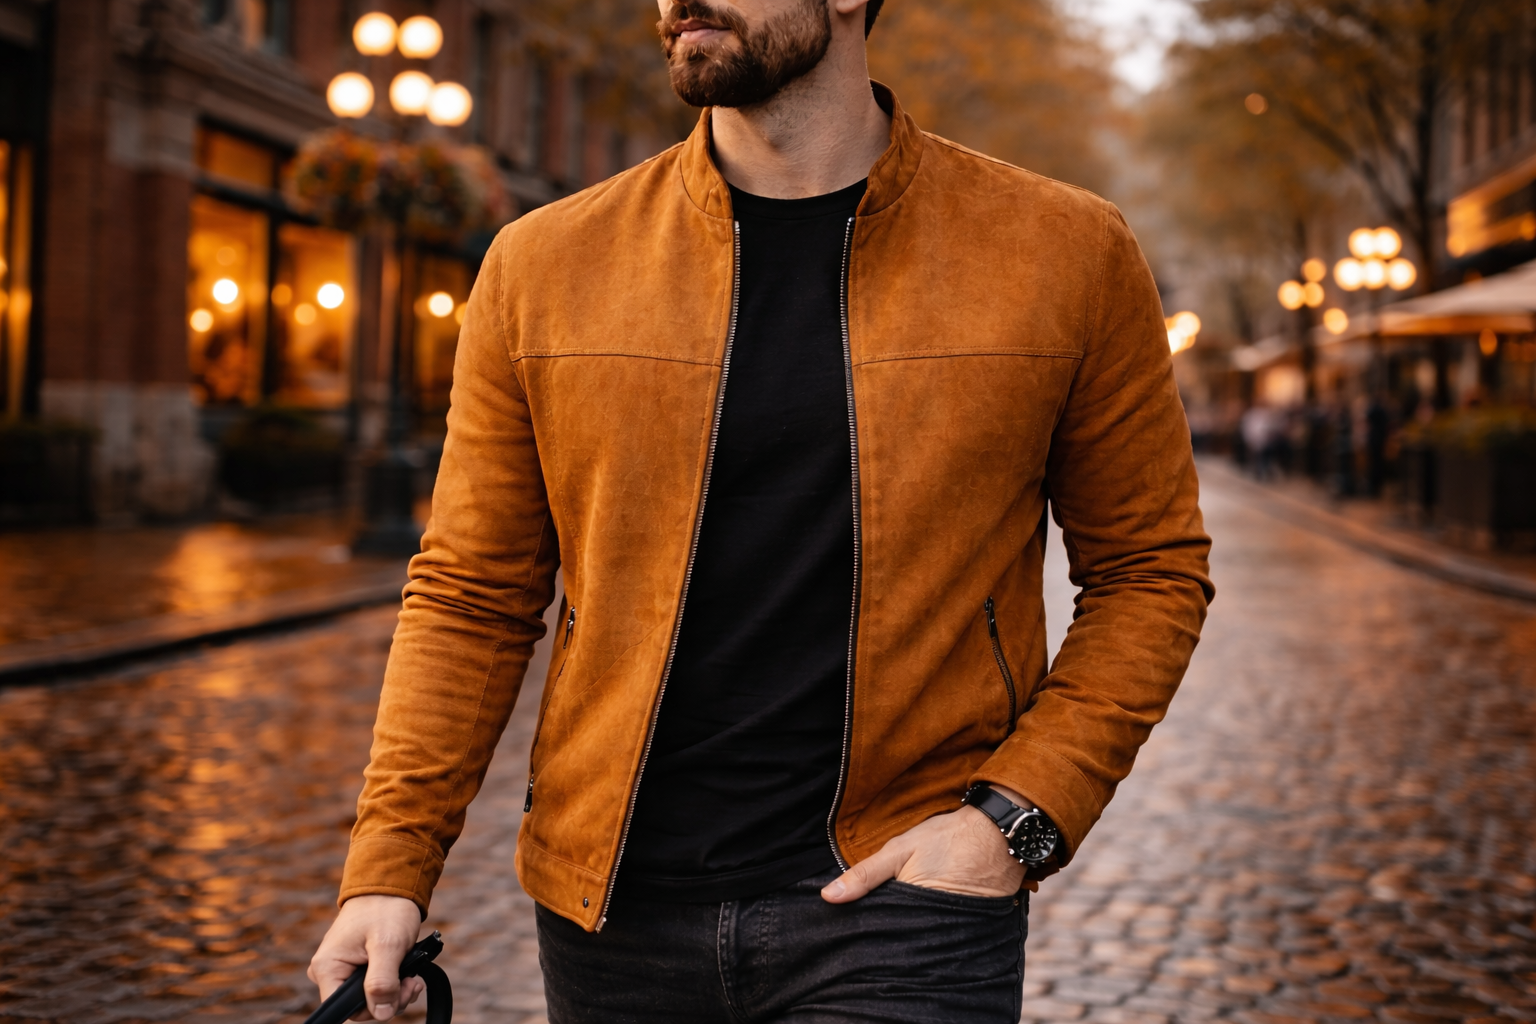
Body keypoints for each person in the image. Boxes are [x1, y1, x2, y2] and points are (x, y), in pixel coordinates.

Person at [308, 0, 1214, 1020]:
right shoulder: (542, 264)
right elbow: (472, 590)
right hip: (611, 917)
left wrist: (1014, 819)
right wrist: (389, 863)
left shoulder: (1065, 251)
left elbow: (1150, 569)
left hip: (905, 906)